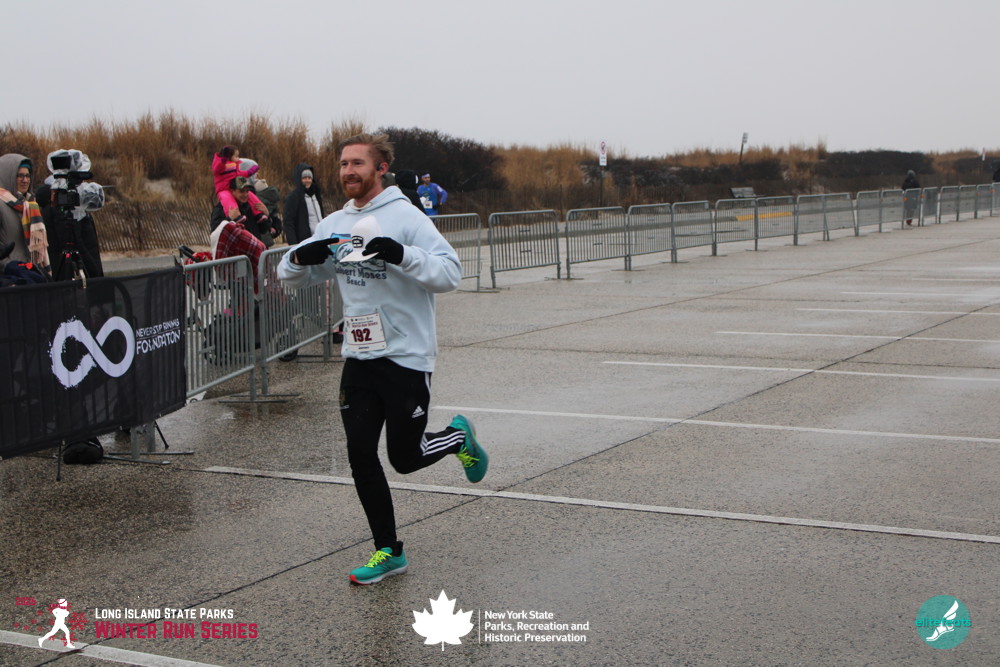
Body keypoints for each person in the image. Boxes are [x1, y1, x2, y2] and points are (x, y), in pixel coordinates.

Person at [277, 133, 488, 586]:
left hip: (406, 355)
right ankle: (389, 551)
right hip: (359, 355)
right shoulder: (334, 223)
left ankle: (457, 437)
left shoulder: (407, 217)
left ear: (380, 167)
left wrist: (400, 253)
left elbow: (450, 272)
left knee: (405, 458)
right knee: (360, 453)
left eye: (357, 163)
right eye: (343, 164)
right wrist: (300, 258)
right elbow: (289, 276)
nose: (348, 171)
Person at [0, 153, 48, 275]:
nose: (25, 180)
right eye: (20, 176)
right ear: (7, 176)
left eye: (27, 176)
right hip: (10, 275)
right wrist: (8, 266)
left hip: (31, 270)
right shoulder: (2, 205)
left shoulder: (30, 206)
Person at [210, 177, 277, 247]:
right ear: (232, 191)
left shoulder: (250, 206)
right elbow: (215, 234)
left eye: (247, 191)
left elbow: (263, 230)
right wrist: (229, 219)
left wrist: (266, 216)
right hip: (236, 252)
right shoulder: (221, 209)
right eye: (241, 191)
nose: (245, 194)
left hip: (253, 249)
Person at [212, 146, 268, 222]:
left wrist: (250, 172)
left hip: (233, 186)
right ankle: (236, 217)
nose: (238, 159)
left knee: (252, 196)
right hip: (223, 189)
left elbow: (240, 173)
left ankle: (259, 214)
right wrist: (229, 219)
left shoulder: (234, 168)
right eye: (236, 156)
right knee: (228, 200)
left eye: (246, 191)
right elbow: (218, 168)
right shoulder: (221, 167)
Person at [283, 163, 324, 244]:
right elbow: (288, 222)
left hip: (321, 238)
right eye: (304, 178)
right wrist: (293, 245)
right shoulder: (293, 197)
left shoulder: (316, 195)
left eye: (309, 178)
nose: (307, 180)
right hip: (305, 242)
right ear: (299, 179)